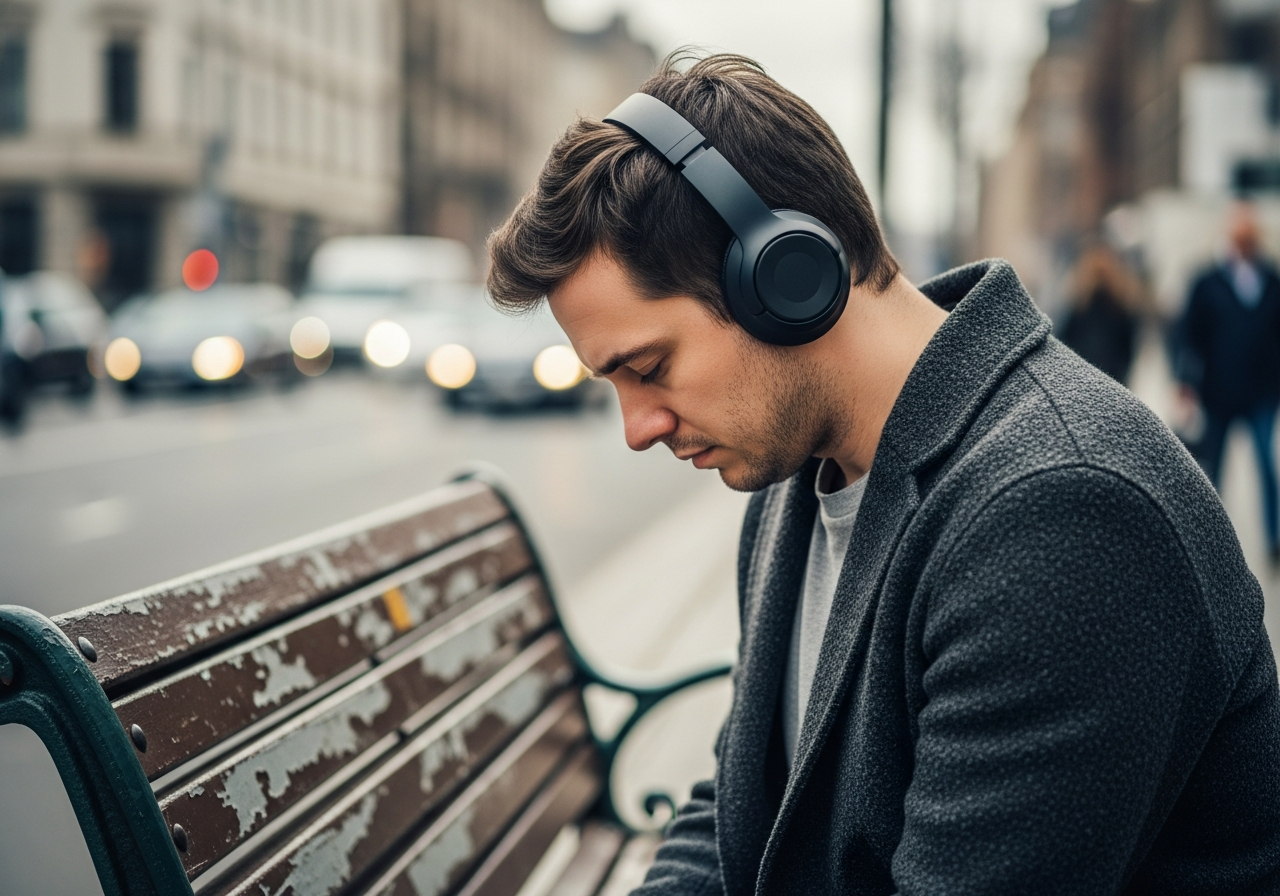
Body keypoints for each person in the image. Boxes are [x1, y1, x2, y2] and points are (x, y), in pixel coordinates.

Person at [489, 54, 1280, 894]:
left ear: (785, 278)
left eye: (648, 367)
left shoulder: (1062, 514)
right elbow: (739, 802)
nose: (637, 429)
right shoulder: (800, 479)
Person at [1175, 204, 1280, 564]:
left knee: (1267, 466)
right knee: (1212, 472)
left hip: (1262, 393)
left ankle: (1273, 539)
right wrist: (1186, 383)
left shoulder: (1271, 280)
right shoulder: (1207, 282)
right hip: (1218, 392)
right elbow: (1188, 335)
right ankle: (1211, 543)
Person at [1059, 243, 1142, 384]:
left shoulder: (1119, 305)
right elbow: (1065, 339)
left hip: (1110, 377)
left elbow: (1128, 346)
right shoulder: (1080, 303)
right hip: (1083, 376)